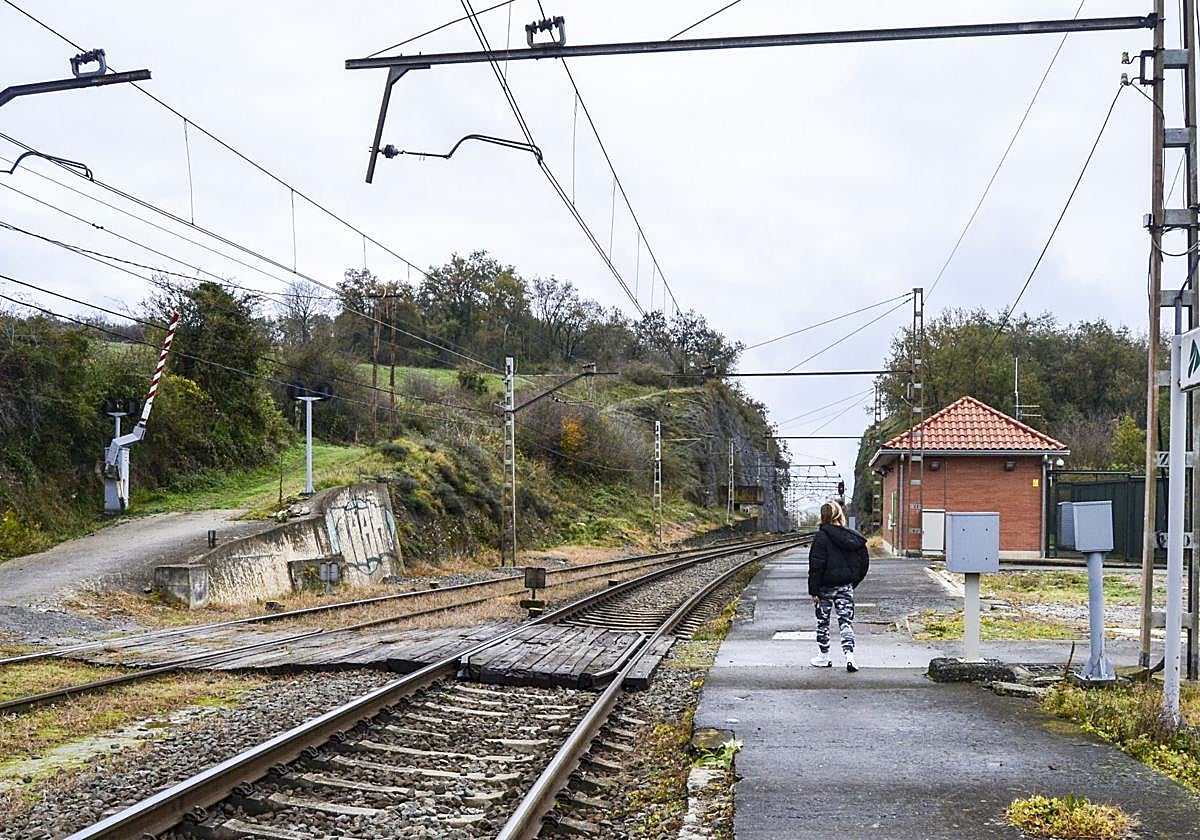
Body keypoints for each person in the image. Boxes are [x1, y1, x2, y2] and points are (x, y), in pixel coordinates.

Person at [807, 499, 869, 672]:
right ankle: (850, 657)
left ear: (823, 516)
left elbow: (816, 565)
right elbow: (863, 563)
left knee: (823, 622)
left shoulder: (821, 537)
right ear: (839, 515)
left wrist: (814, 590)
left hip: (825, 588)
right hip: (845, 586)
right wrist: (852, 582)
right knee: (846, 622)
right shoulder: (852, 537)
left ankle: (824, 657)